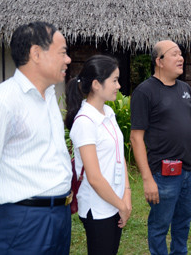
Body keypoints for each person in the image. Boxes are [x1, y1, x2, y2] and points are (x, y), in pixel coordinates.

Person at [0, 22, 73, 254]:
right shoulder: (1, 102)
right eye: (62, 52)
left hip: (59, 216)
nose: (68, 59)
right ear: (36, 53)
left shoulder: (49, 96)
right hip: (22, 221)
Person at [130, 40, 191, 255]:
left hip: (189, 171)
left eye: (181, 54)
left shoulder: (185, 89)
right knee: (159, 226)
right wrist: (147, 178)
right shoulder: (144, 92)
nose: (181, 58)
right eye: (174, 54)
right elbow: (136, 138)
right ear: (159, 61)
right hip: (163, 173)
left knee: (183, 222)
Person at [65, 55, 132, 255]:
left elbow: (120, 156)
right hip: (98, 207)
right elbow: (93, 177)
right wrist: (121, 204)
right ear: (96, 84)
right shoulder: (85, 122)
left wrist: (126, 193)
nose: (119, 85)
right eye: (114, 80)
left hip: (115, 202)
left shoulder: (108, 114)